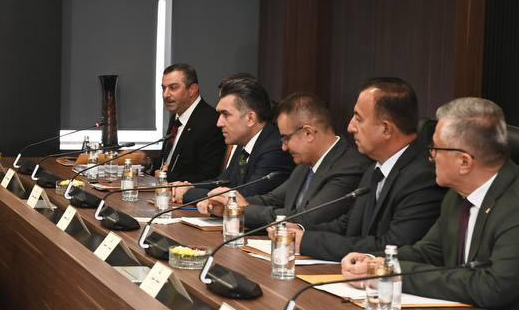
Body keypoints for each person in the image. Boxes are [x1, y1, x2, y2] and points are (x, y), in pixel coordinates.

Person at [342, 98, 519, 310]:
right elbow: (430, 252)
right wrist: (374, 262)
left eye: (435, 149)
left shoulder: (514, 205)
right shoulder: (456, 196)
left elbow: (493, 286)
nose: (430, 157)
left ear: (464, 162)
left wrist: (395, 274)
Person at [296, 78, 444, 261]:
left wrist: (309, 242)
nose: (350, 127)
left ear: (386, 129)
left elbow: (391, 246)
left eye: (358, 118)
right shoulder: (376, 167)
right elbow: (349, 225)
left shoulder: (422, 177)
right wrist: (297, 232)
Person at [217, 92, 368, 229]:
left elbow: (307, 217)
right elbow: (271, 200)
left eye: (286, 138)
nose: (283, 147)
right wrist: (226, 203)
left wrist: (243, 210)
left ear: (308, 133)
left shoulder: (349, 166)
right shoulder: (305, 165)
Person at [178, 78, 292, 206]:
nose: (218, 123)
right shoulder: (245, 142)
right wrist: (189, 186)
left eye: (225, 115)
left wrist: (188, 193)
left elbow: (244, 196)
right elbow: (223, 181)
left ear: (250, 118)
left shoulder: (275, 149)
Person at [154, 63, 224, 183]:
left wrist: (166, 176)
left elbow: (208, 176)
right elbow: (168, 162)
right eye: (163, 88)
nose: (165, 95)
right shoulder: (177, 116)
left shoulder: (211, 122)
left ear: (192, 89)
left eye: (173, 87)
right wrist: (146, 163)